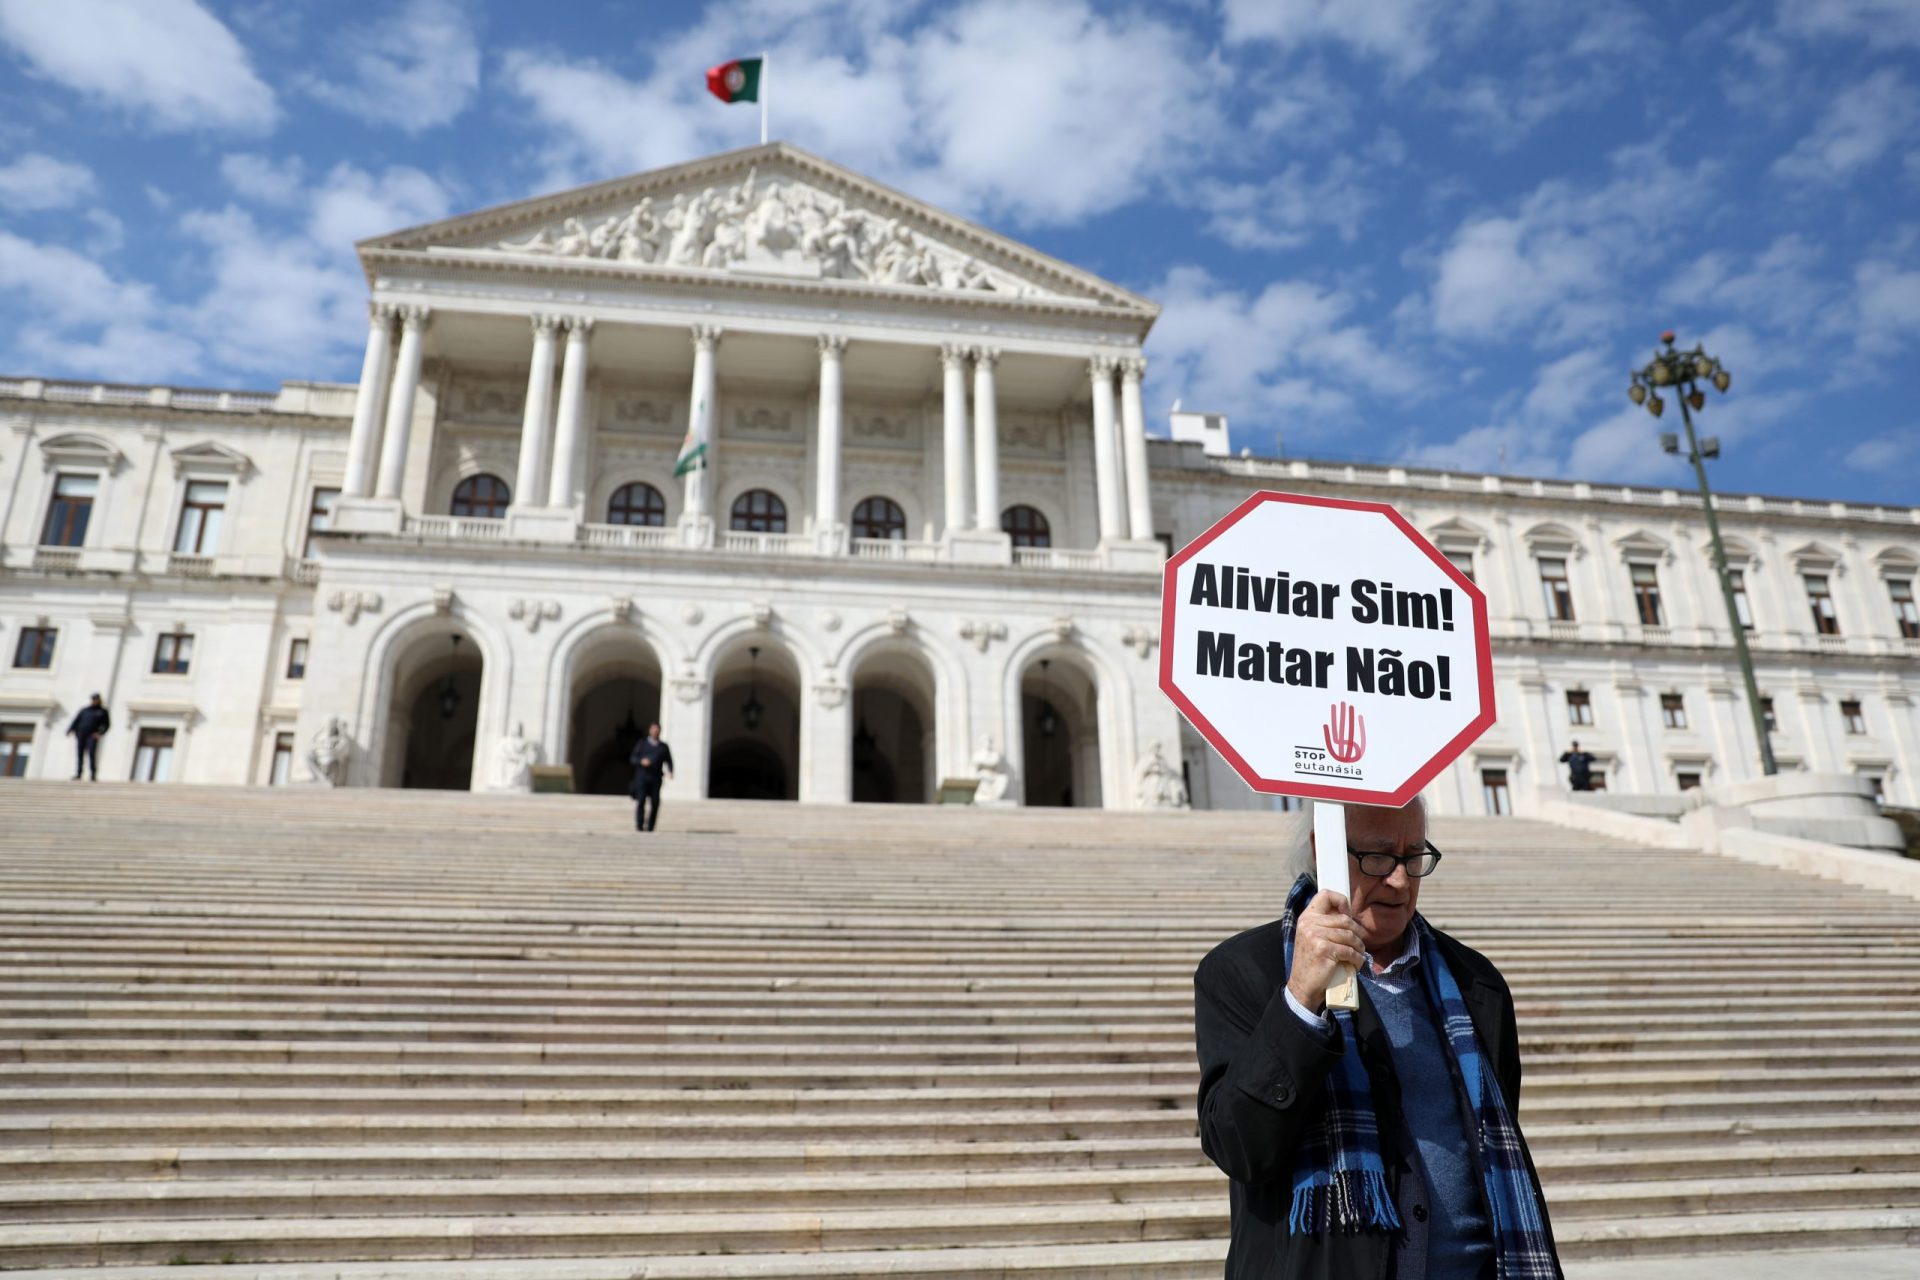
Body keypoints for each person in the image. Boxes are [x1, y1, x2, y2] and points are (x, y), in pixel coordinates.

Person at [1193, 797, 1561, 1279]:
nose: (1401, 880)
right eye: (1379, 857)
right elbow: (1237, 1145)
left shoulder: (1476, 983)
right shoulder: (1245, 971)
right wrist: (1300, 1000)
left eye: (1414, 856)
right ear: (1322, 850)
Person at [628, 723, 673, 832]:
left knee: (655, 802)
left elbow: (669, 761)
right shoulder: (642, 744)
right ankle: (639, 825)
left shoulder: (663, 747)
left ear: (660, 731)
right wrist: (641, 761)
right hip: (642, 778)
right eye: (653, 729)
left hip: (656, 778)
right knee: (641, 800)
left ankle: (651, 826)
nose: (655, 731)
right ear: (650, 730)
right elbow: (633, 758)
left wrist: (670, 771)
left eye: (657, 729)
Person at [66, 693, 109, 781]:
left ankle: (93, 774)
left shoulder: (103, 711)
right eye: (93, 699)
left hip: (92, 735)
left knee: (92, 754)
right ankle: (79, 773)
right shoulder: (85, 710)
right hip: (81, 734)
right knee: (80, 753)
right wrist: (70, 729)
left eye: (96, 699)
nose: (94, 701)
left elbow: (107, 724)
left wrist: (100, 733)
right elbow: (76, 720)